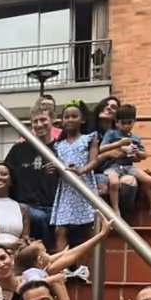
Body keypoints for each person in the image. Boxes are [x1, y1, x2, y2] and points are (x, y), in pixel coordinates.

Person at [4, 102, 57, 248]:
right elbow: (5, 171)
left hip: (55, 206)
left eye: (43, 120)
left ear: (53, 120)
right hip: (28, 206)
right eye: (35, 121)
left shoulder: (60, 148)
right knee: (38, 217)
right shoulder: (19, 149)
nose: (39, 125)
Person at [99, 104, 151, 220]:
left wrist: (137, 151)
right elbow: (101, 148)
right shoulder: (111, 134)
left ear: (134, 122)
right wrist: (119, 145)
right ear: (117, 122)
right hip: (112, 166)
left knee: (150, 181)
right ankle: (115, 209)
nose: (126, 126)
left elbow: (144, 155)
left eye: (129, 122)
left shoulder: (135, 138)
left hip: (128, 166)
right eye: (123, 123)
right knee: (114, 183)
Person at [51, 102, 98, 251]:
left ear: (82, 120)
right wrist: (53, 171)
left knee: (89, 228)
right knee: (60, 229)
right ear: (62, 121)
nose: (70, 119)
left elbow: (94, 161)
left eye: (74, 116)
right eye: (67, 117)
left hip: (84, 185)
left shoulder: (89, 138)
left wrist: (81, 170)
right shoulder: (58, 145)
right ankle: (63, 268)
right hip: (66, 189)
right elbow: (58, 166)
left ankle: (86, 268)